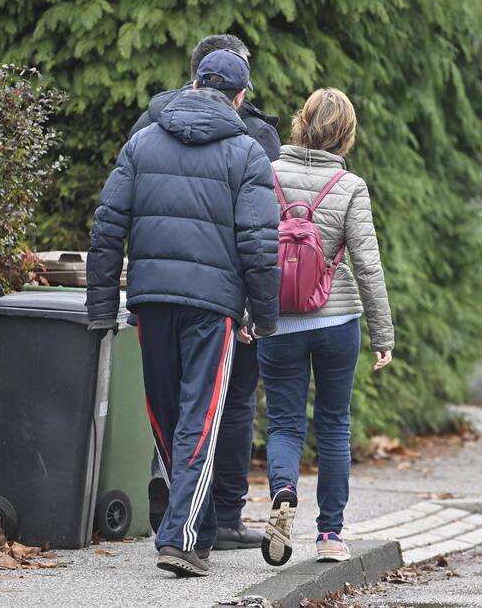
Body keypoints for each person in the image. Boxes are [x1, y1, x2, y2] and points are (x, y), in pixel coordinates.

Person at [87, 49, 279, 577]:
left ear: (193, 83)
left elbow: (107, 227)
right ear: (240, 98)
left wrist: (101, 308)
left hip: (151, 302)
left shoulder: (142, 142)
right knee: (199, 417)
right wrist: (264, 316)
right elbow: (259, 244)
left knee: (167, 415)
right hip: (213, 309)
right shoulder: (247, 153)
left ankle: (192, 524)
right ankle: (185, 537)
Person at [258, 89, 394, 566]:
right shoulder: (350, 185)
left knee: (284, 423)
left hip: (279, 321)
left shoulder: (269, 173)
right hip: (337, 321)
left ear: (301, 123)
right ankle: (330, 535)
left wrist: (249, 314)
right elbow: (368, 265)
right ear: (347, 135)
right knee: (334, 424)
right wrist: (383, 336)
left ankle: (283, 491)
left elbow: (249, 249)